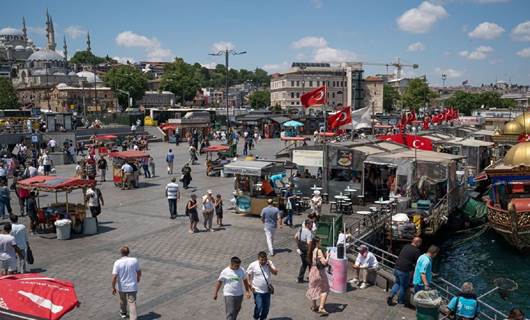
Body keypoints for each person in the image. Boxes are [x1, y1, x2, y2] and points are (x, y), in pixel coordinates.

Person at [388, 237, 422, 306]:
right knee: (403, 286)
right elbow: (418, 263)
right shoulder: (416, 251)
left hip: (396, 268)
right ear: (417, 242)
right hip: (403, 271)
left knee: (397, 283)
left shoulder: (406, 246)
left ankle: (390, 296)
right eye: (420, 243)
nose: (420, 244)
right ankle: (400, 301)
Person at [112, 246, 141, 320]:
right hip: (132, 286)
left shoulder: (117, 262)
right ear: (128, 252)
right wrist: (138, 278)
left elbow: (114, 276)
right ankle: (133, 318)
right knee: (132, 303)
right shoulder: (134, 260)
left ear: (121, 253)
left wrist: (113, 287)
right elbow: (139, 271)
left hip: (122, 286)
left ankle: (123, 313)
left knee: (122, 300)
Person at [247, 252, 278, 320]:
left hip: (267, 290)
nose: (264, 261)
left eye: (265, 259)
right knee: (259, 306)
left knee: (266, 307)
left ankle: (263, 318)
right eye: (262, 260)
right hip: (257, 290)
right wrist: (250, 285)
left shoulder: (269, 262)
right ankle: (256, 317)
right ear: (258, 259)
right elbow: (249, 275)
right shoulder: (253, 265)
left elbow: (275, 273)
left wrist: (269, 265)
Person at [306, 236, 329, 315]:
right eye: (320, 242)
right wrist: (328, 255)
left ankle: (314, 306)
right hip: (320, 272)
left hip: (313, 271)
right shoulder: (319, 251)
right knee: (325, 289)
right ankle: (321, 307)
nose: (321, 243)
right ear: (317, 243)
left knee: (314, 288)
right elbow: (324, 262)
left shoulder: (312, 250)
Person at [295, 219, 313, 283]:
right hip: (307, 251)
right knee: (310, 264)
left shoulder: (301, 229)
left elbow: (295, 237)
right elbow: (309, 244)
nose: (312, 226)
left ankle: (300, 278)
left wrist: (298, 245)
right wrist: (309, 253)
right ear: (307, 224)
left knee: (304, 264)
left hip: (301, 250)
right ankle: (311, 278)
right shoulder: (309, 232)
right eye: (311, 224)